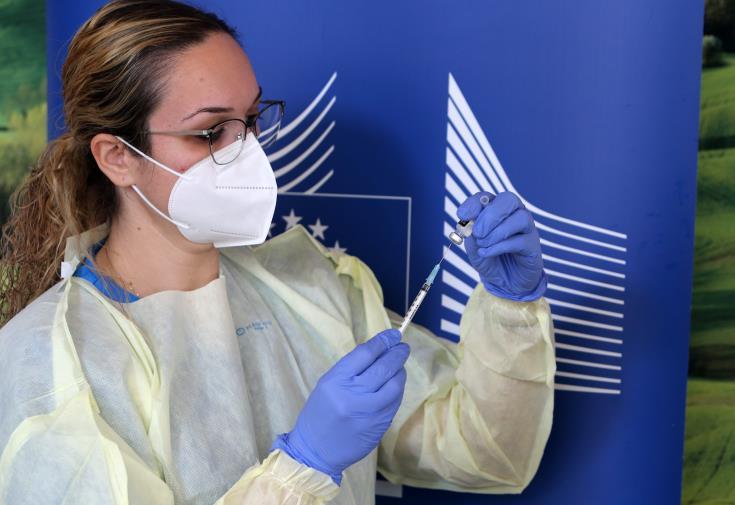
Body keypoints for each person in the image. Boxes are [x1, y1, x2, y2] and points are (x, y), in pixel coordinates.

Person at [0, 1, 555, 504]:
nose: (246, 153)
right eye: (210, 132)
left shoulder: (309, 288)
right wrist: (303, 468)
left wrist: (511, 308)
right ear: (117, 157)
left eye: (251, 120)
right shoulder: (54, 366)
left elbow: (484, 452)